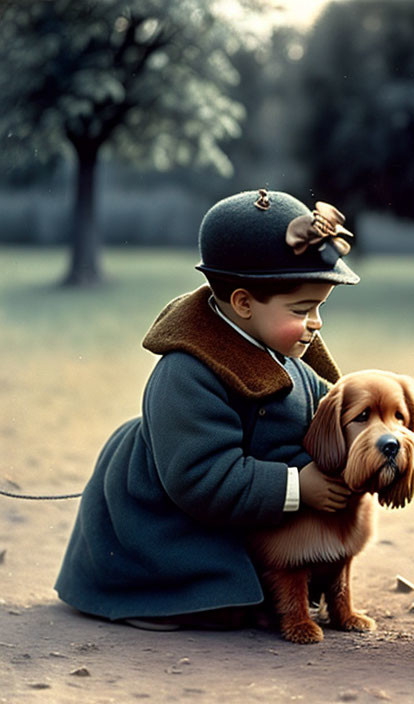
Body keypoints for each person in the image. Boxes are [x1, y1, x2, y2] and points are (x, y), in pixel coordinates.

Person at [55, 189, 359, 630]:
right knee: (214, 601)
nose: (316, 322)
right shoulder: (187, 374)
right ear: (242, 304)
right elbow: (202, 477)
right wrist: (298, 486)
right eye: (302, 309)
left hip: (243, 508)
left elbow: (321, 411)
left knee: (259, 583)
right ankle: (163, 598)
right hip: (165, 516)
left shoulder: (288, 354)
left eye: (319, 308)